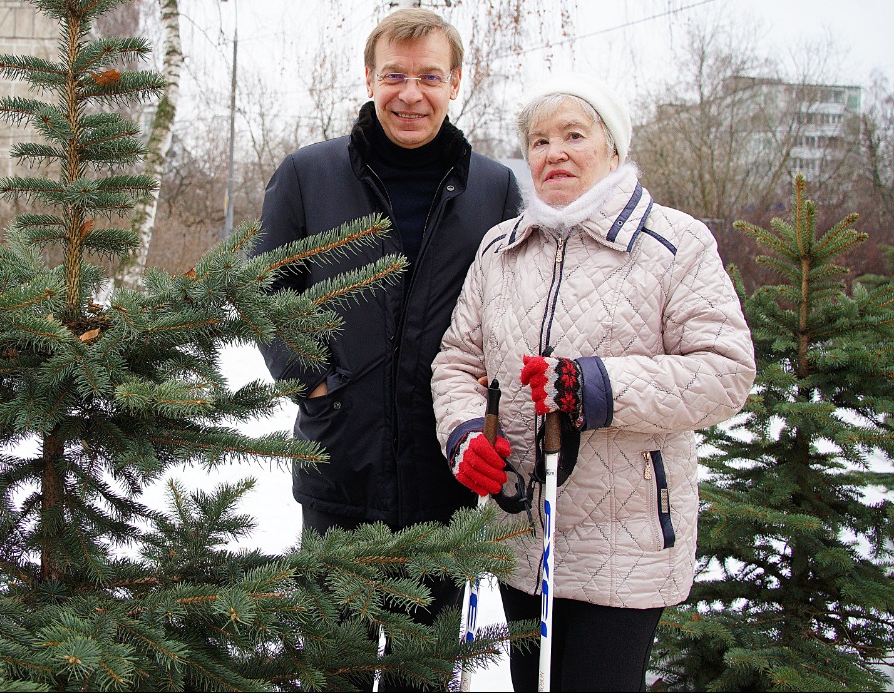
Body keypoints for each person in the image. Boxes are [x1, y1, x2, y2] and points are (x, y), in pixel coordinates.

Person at [430, 73, 756, 691]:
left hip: (625, 541)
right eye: (539, 141)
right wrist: (467, 433)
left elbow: (725, 371)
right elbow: (457, 361)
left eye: (573, 135)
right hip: (522, 534)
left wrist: (596, 388)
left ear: (612, 147)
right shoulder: (500, 249)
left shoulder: (675, 243)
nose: (554, 152)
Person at [254, 9, 521, 689]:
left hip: (444, 478)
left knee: (423, 674)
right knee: (333, 669)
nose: (411, 94)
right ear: (369, 77)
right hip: (341, 465)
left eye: (429, 77)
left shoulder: (493, 189)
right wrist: (314, 382)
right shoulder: (309, 175)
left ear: (455, 82)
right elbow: (264, 290)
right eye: (395, 76)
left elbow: (511, 310)